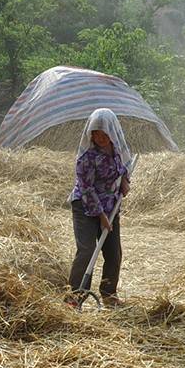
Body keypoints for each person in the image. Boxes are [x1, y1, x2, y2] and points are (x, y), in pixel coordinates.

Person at [67, 108, 131, 307]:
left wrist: (125, 181)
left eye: (104, 134)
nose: (100, 138)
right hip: (85, 207)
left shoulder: (118, 150)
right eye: (95, 133)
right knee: (87, 251)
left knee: (114, 253)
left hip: (111, 207)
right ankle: (74, 297)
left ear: (112, 133)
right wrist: (101, 215)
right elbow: (86, 189)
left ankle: (109, 294)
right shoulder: (87, 157)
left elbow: (124, 168)